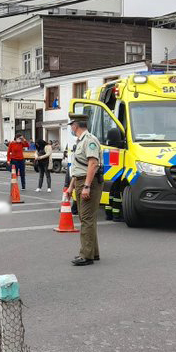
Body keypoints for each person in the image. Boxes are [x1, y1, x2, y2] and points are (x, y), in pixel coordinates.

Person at [66, 113, 103, 266]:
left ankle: (86, 255)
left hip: (89, 183)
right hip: (81, 181)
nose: (71, 128)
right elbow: (79, 167)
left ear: (76, 125)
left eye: (71, 125)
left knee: (86, 219)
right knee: (86, 219)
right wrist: (71, 187)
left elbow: (92, 164)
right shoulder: (81, 141)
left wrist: (87, 186)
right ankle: (93, 252)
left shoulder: (90, 140)